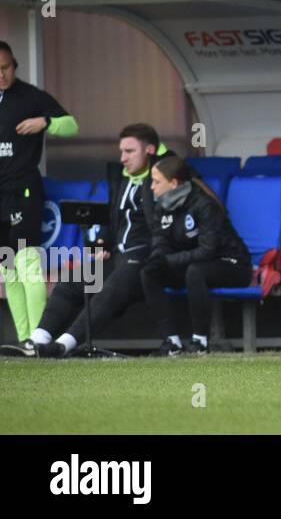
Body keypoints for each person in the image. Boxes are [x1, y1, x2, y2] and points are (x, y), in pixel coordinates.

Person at [28, 125, 166, 358]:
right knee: (72, 279)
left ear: (150, 150)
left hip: (146, 259)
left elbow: (165, 228)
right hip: (119, 257)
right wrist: (103, 241)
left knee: (110, 287)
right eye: (121, 152)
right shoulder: (123, 180)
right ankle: (37, 339)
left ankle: (64, 345)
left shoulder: (162, 181)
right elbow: (113, 218)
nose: (123, 158)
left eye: (130, 151)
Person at [0, 41, 78, 344]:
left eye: (5, 68)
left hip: (24, 190)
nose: (1, 74)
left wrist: (45, 123)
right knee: (7, 268)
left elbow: (72, 125)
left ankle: (40, 337)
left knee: (26, 262)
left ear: (14, 65)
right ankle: (24, 340)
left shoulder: (32, 97)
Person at [140, 155, 252, 356]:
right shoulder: (162, 206)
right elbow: (160, 241)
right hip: (196, 264)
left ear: (174, 183)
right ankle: (172, 343)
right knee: (149, 272)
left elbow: (207, 251)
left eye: (156, 182)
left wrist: (168, 260)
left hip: (233, 264)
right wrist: (159, 258)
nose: (151, 187)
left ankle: (200, 342)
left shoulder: (203, 204)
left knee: (195, 271)